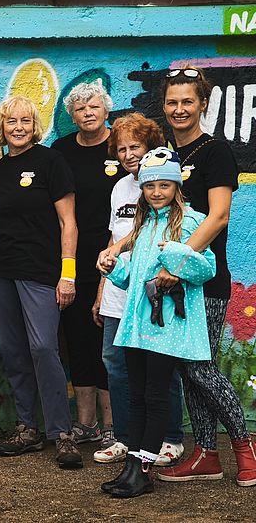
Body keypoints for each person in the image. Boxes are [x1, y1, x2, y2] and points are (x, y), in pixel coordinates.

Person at [99, 66, 256, 487]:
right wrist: (119, 251)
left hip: (202, 279)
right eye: (172, 102)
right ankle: (206, 454)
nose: (179, 109)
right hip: (164, 284)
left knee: (200, 367)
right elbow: (147, 220)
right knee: (184, 371)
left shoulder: (214, 151)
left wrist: (179, 261)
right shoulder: (165, 153)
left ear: (203, 103)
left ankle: (245, 447)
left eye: (188, 101)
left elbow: (219, 215)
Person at [97, 147, 216, 498]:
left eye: (165, 185)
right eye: (151, 187)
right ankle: (132, 464)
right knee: (136, 394)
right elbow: (134, 277)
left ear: (177, 187)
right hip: (137, 324)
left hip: (165, 327)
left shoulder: (192, 221)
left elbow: (205, 268)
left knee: (155, 393)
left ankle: (145, 468)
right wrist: (113, 268)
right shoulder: (145, 224)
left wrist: (175, 256)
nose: (157, 192)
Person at [0, 96, 82, 469]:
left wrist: (68, 273)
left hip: (41, 271)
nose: (19, 127)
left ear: (34, 125)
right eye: (11, 121)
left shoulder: (50, 161)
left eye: (26, 120)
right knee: (13, 351)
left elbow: (67, 223)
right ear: (2, 127)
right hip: (0, 272)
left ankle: (62, 433)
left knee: (44, 348)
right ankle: (28, 429)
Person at [93, 114, 185, 466]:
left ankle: (171, 438)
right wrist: (102, 289)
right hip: (119, 289)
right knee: (115, 363)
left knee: (162, 367)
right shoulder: (119, 188)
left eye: (136, 147)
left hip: (151, 293)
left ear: (151, 148)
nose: (129, 154)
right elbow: (115, 237)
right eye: (122, 149)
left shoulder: (162, 184)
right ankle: (126, 438)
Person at [51, 81, 121, 447]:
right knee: (77, 336)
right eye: (80, 109)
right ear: (71, 116)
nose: (88, 113)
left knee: (107, 338)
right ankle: (86, 423)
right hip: (74, 257)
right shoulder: (60, 151)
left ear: (106, 109)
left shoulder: (120, 145)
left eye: (94, 106)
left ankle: (112, 424)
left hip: (117, 255)